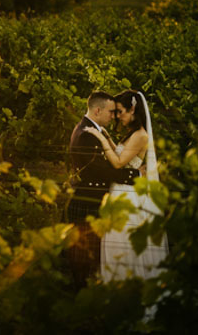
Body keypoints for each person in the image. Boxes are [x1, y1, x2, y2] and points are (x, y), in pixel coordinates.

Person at [83, 90, 169, 281]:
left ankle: (127, 282)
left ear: (133, 110)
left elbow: (119, 162)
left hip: (128, 194)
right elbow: (121, 152)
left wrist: (101, 139)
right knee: (116, 240)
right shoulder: (132, 134)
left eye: (121, 111)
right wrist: (108, 137)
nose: (118, 116)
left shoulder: (141, 135)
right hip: (120, 190)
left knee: (123, 240)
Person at [66, 91, 141, 287]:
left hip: (92, 200)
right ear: (98, 110)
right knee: (83, 257)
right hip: (88, 202)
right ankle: (80, 299)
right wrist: (136, 175)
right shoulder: (86, 134)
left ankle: (88, 294)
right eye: (110, 111)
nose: (113, 116)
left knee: (91, 255)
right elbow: (102, 172)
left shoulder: (91, 130)